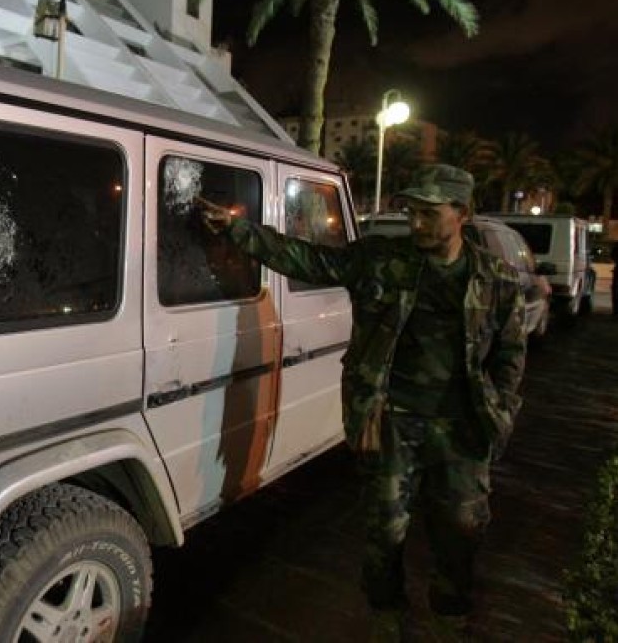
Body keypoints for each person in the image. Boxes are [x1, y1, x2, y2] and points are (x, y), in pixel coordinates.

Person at [197, 164, 527, 641]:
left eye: (429, 214)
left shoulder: (495, 278)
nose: (416, 223)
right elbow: (307, 260)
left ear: (463, 213)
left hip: (463, 428)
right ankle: (386, 613)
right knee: (385, 528)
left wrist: (502, 409)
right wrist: (238, 229)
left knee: (461, 528)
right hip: (391, 420)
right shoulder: (380, 260)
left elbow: (511, 352)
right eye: (412, 212)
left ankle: (450, 615)